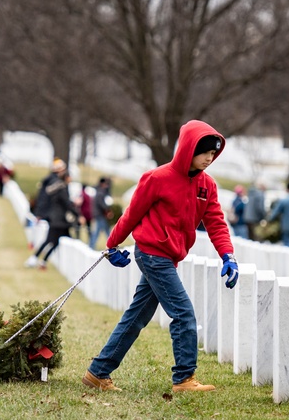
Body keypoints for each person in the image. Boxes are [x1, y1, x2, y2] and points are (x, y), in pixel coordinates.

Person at [83, 120, 238, 394]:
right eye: (205, 153)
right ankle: (184, 379)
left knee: (136, 317)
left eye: (213, 155)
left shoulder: (207, 186)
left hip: (169, 258)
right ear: (189, 149)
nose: (209, 159)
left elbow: (215, 222)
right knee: (183, 314)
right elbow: (132, 214)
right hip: (153, 254)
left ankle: (97, 372)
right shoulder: (157, 178)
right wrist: (112, 244)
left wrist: (228, 255)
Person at [26, 168, 79, 269]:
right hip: (58, 221)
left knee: (54, 242)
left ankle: (42, 261)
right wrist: (77, 215)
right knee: (50, 241)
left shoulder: (58, 188)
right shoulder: (62, 189)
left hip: (57, 220)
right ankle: (36, 259)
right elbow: (67, 205)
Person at [89, 177, 114, 249]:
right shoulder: (100, 192)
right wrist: (108, 210)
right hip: (100, 215)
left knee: (105, 230)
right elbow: (102, 204)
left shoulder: (98, 191)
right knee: (98, 231)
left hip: (99, 214)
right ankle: (91, 245)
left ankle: (111, 244)